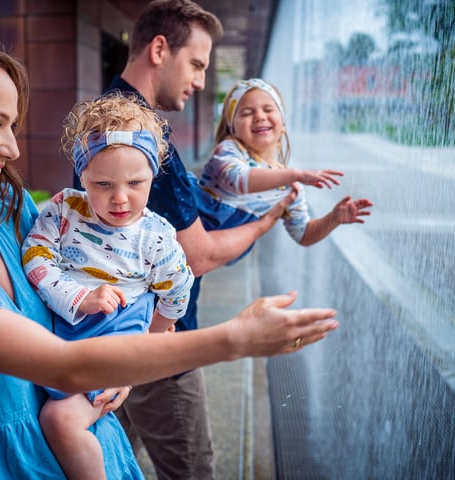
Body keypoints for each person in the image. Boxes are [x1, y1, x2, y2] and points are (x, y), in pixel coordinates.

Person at [0, 31, 339, 479]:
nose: (11, 148)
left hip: (68, 443)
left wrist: (134, 349)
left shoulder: (6, 211)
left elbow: (118, 273)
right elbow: (63, 363)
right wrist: (233, 340)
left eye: (13, 126)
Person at [92, 1, 313, 478]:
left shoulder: (106, 114)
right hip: (160, 347)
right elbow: (197, 257)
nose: (198, 80)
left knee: (112, 462)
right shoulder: (148, 138)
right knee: (194, 472)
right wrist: (268, 219)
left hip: (116, 335)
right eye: (196, 64)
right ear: (158, 49)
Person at [23, 94, 194, 479]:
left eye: (136, 182)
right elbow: (35, 256)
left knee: (59, 420)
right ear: (81, 176)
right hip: (66, 334)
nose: (120, 198)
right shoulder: (65, 210)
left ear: (153, 175)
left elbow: (178, 292)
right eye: (102, 183)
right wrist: (79, 297)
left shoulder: (154, 239)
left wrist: (146, 343)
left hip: (113, 340)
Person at [195, 77, 373, 247]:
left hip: (214, 247)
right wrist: (295, 174)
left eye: (268, 109)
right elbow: (238, 180)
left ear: (283, 125)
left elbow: (304, 234)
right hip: (186, 229)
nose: (259, 116)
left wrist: (334, 218)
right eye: (247, 113)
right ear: (232, 127)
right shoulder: (229, 150)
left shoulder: (288, 187)